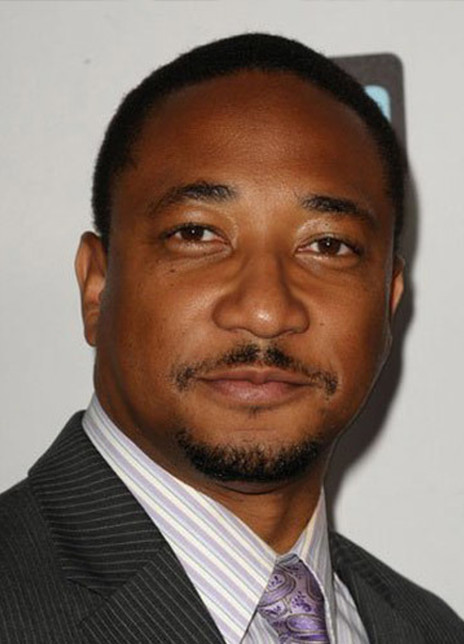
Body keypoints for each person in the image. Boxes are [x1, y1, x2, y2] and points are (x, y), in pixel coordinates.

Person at [0, 32, 462, 644]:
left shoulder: (431, 628)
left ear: (388, 300)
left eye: (327, 245)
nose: (266, 311)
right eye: (197, 235)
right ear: (96, 286)